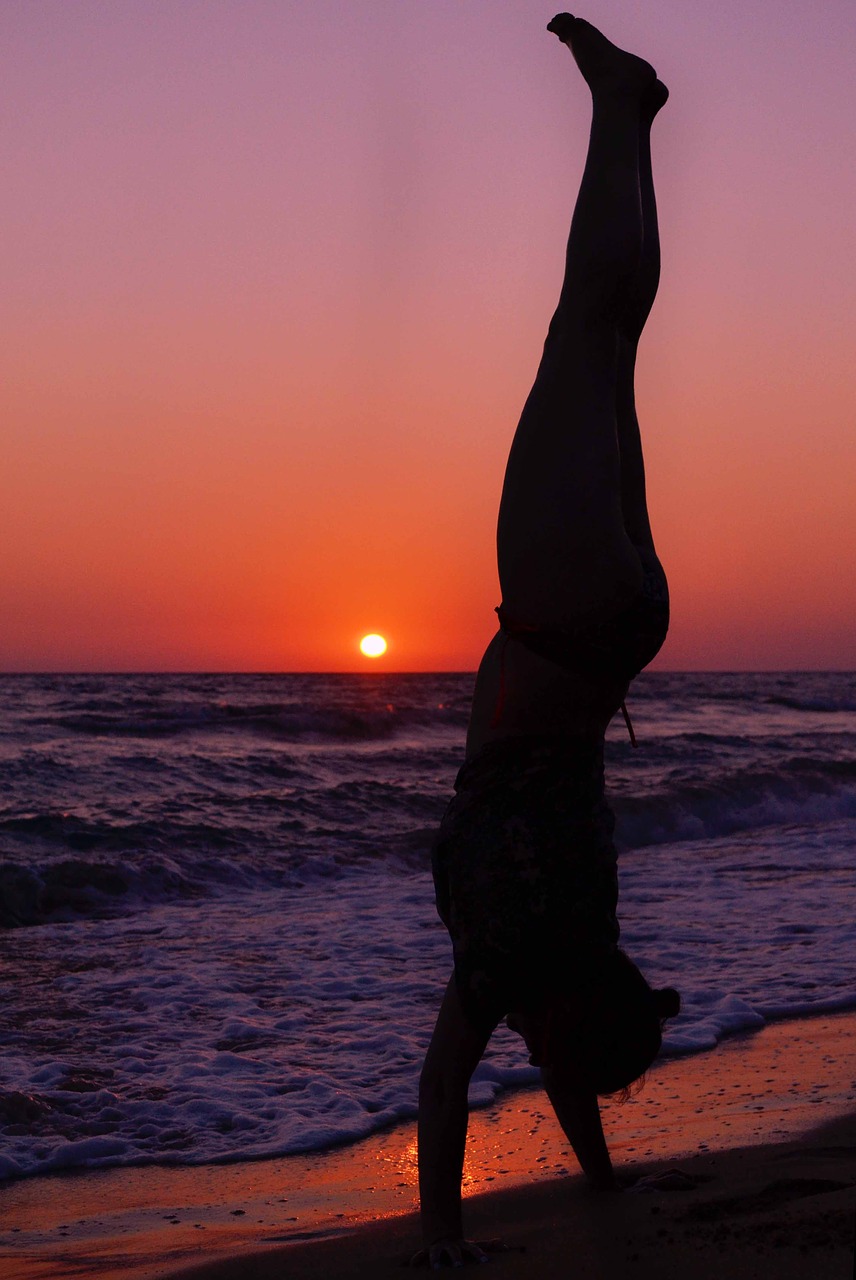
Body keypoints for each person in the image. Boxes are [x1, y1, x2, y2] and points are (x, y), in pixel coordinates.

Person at [412, 14, 681, 1269]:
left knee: (608, 343)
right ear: (564, 1019)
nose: (541, 1060)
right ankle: (615, 108)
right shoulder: (520, 959)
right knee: (582, 328)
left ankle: (625, 119)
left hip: (618, 629)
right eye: (558, 1052)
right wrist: (443, 1241)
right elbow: (441, 1085)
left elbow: (570, 1064)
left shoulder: (580, 940)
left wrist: (601, 1172)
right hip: (561, 613)